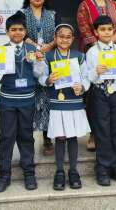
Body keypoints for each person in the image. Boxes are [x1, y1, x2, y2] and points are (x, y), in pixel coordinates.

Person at [0, 13, 44, 193]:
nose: (17, 32)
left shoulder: (32, 50)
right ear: (7, 31)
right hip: (8, 99)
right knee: (6, 136)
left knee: (26, 136)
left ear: (25, 31)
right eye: (13, 29)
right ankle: (4, 175)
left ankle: (29, 173)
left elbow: (39, 74)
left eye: (20, 29)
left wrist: (39, 61)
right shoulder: (0, 50)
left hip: (27, 99)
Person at [76, 0, 116, 151]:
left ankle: (114, 136)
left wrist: (109, 43)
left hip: (114, 52)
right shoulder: (84, 5)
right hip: (92, 52)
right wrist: (100, 48)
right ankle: (94, 133)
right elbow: (84, 29)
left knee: (115, 93)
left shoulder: (115, 5)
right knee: (93, 95)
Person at [39, 23, 90, 191]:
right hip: (57, 103)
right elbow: (40, 76)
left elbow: (86, 77)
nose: (64, 40)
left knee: (72, 137)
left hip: (74, 102)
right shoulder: (48, 56)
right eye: (61, 36)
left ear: (73, 39)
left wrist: (82, 87)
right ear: (55, 38)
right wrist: (48, 80)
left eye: (68, 37)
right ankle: (59, 171)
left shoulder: (79, 56)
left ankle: (73, 171)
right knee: (60, 137)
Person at [86, 15, 116, 186]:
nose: (106, 32)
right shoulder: (92, 52)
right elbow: (88, 77)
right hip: (100, 93)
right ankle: (103, 168)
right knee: (102, 130)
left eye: (109, 29)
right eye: (103, 29)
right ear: (96, 32)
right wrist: (96, 71)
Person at [20, 0, 61, 156]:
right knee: (30, 98)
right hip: (28, 59)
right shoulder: (21, 14)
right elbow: (19, 33)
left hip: (49, 58)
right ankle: (27, 138)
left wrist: (48, 47)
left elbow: (59, 35)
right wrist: (36, 46)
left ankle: (47, 137)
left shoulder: (53, 14)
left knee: (47, 98)